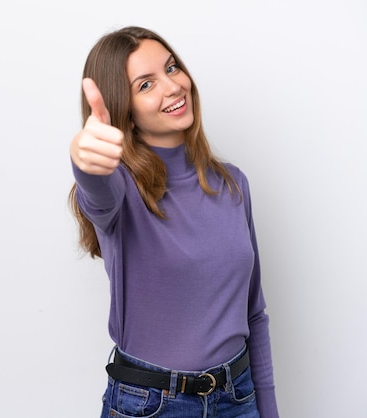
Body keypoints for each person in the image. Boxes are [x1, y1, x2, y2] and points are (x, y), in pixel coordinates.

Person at [68, 26, 279, 418]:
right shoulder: (120, 190)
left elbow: (253, 314)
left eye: (172, 68)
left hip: (238, 398)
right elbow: (95, 190)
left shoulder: (232, 184)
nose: (173, 86)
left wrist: (267, 410)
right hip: (151, 405)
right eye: (146, 84)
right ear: (122, 109)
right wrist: (85, 160)